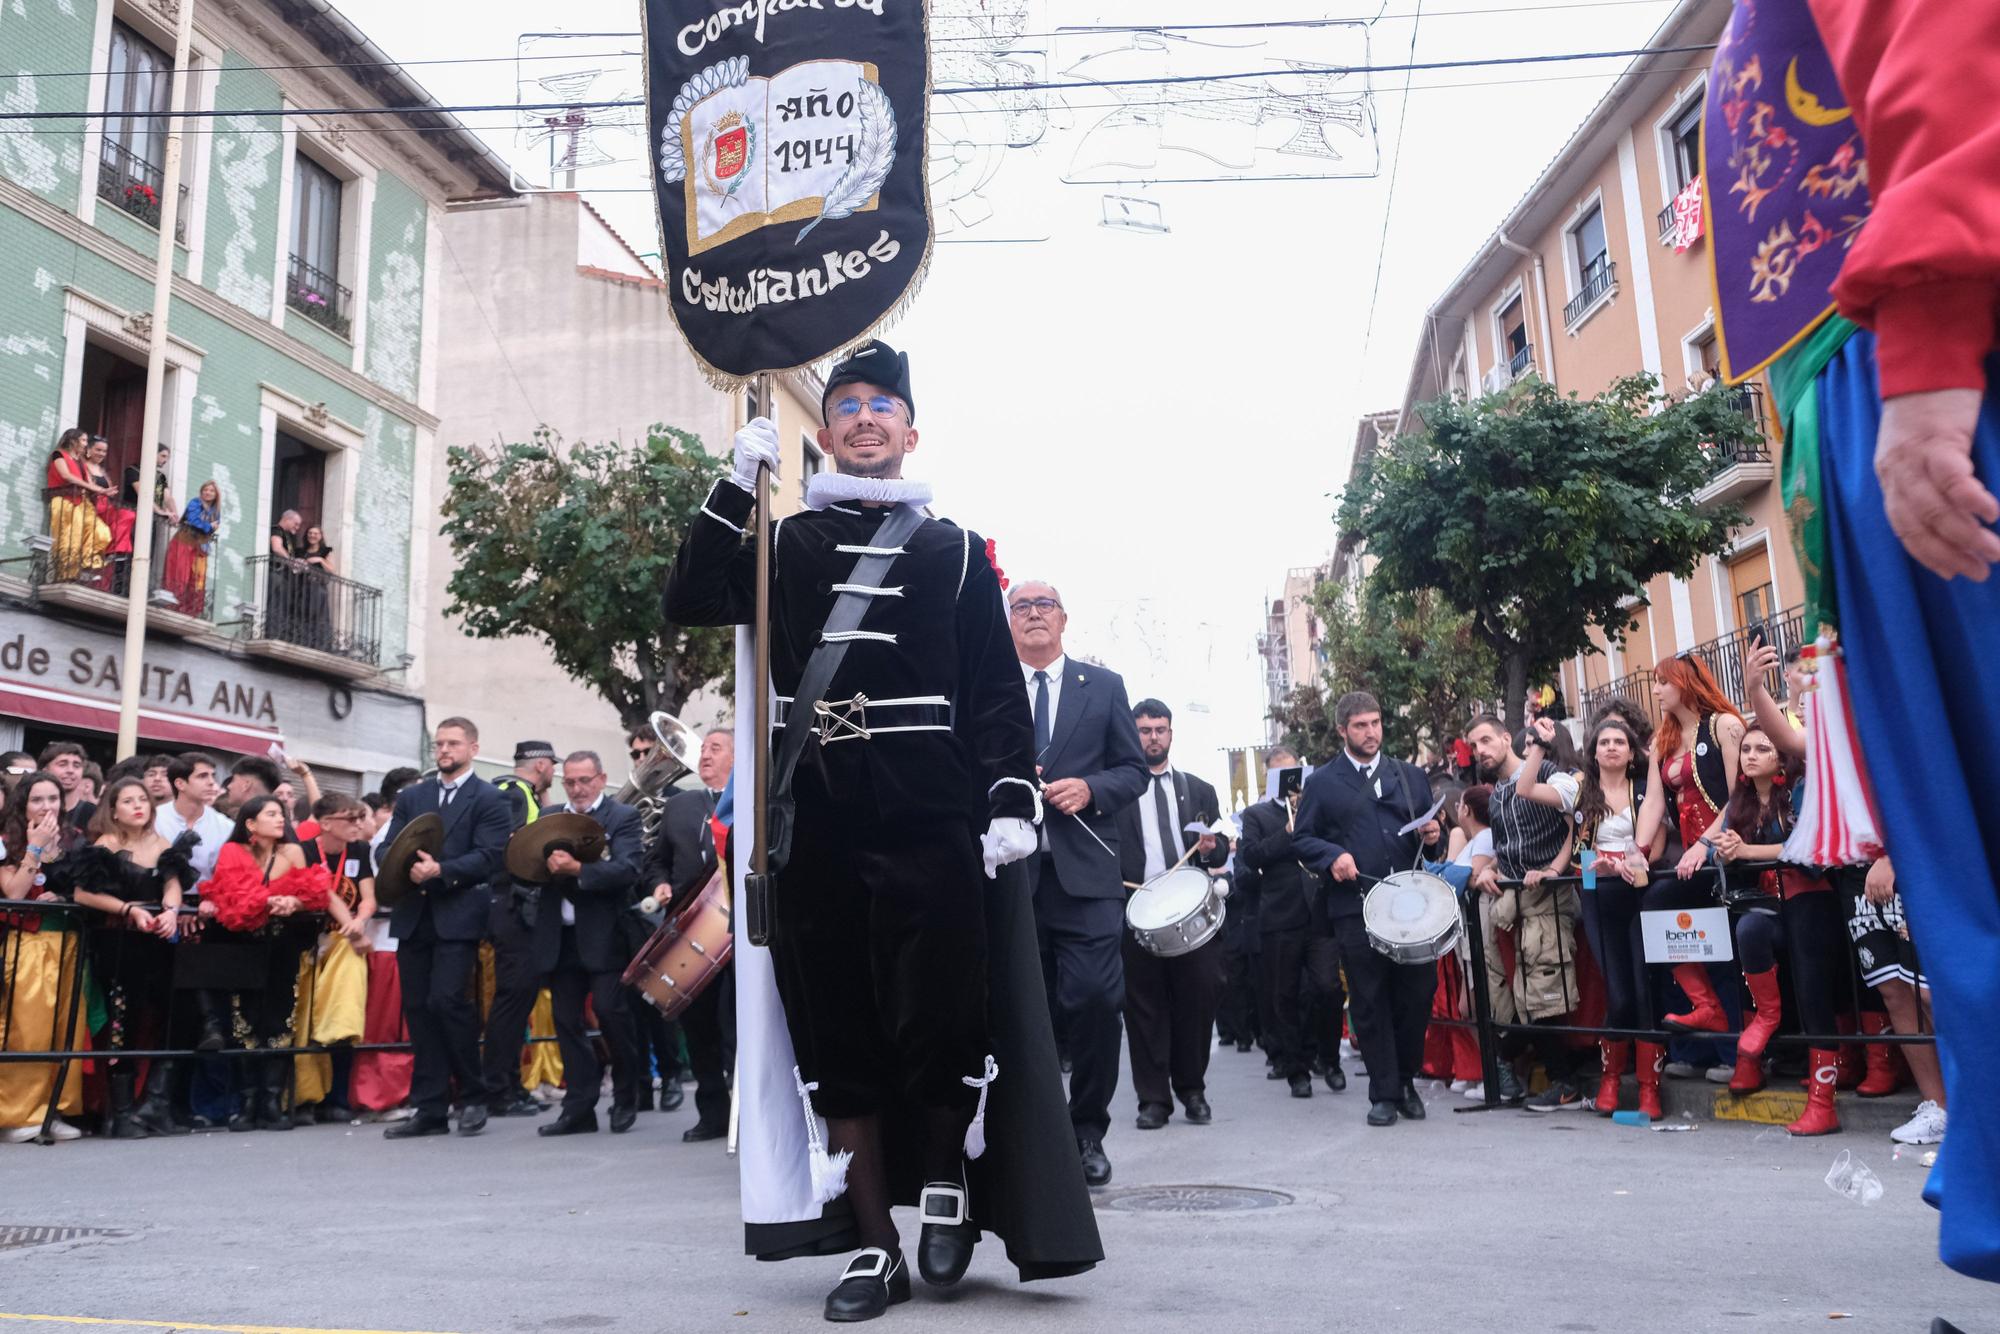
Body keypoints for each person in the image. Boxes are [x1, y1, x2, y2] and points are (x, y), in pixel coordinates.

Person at [666, 340, 1100, 1317]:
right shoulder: (784, 547)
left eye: (883, 405)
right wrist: (733, 489)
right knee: (839, 1029)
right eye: (848, 404)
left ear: (910, 432)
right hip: (814, 816)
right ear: (825, 433)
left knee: (942, 1016)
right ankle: (870, 1245)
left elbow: (993, 694)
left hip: (930, 812)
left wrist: (1003, 796)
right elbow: (691, 595)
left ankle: (945, 1189)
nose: (864, 417)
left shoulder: (954, 552)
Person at [1010, 578, 1149, 1188]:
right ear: (1008, 622)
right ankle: (1027, 1133)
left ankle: (1086, 1128)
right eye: (1021, 606)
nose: (1034, 614)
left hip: (1087, 877)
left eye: (1045, 606)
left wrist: (1092, 789)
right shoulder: (987, 685)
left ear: (1064, 620)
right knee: (1020, 1010)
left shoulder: (1105, 687)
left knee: (1096, 1000)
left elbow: (1134, 771)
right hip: (1009, 875)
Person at [1671, 727, 1848, 1135]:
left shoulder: (1800, 792)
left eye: (1762, 748)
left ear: (1781, 757)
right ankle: (1764, 1025)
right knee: (1748, 929)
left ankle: (1824, 1105)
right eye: (1746, 748)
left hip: (1812, 901)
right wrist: (1722, 849)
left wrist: (1748, 851)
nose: (1750, 755)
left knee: (1814, 993)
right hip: (1766, 907)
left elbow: (1811, 847)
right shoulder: (1740, 801)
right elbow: (1721, 845)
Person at [1292, 691, 1445, 1127]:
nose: (1371, 732)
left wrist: (1433, 835)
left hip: (1410, 906)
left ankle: (1406, 1079)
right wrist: (1332, 856)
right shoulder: (1322, 782)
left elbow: (1430, 838)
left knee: (1418, 994)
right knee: (1370, 998)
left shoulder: (1410, 775)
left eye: (1376, 723)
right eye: (1360, 725)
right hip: (1354, 907)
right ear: (1342, 730)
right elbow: (1302, 839)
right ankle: (1384, 1092)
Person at [379, 717, 511, 1140]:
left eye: (453, 743)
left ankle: (473, 1096)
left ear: (473, 747)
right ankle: (430, 1108)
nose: (444, 751)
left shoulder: (489, 798)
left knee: (449, 1003)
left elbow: (492, 855)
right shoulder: (413, 796)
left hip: (458, 915)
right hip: (414, 915)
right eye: (439, 744)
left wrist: (442, 871)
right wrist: (405, 865)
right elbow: (386, 845)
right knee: (418, 1010)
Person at [49, 777, 195, 1137]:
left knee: (169, 1015)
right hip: (116, 943)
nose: (137, 806)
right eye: (128, 801)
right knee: (121, 1023)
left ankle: (153, 1104)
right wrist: (129, 908)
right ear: (113, 810)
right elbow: (83, 894)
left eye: (142, 799)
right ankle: (120, 1111)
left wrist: (171, 911)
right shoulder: (107, 844)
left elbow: (173, 882)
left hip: (157, 943)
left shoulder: (162, 843)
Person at [1114, 699, 1229, 1129]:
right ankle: (1153, 1100)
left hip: (1188, 915)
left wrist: (1213, 848)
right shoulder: (1117, 791)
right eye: (1144, 730)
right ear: (1133, 734)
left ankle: (1192, 1087)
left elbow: (1216, 846)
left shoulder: (1199, 790)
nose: (1153, 737)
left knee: (1199, 996)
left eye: (1160, 729)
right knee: (1143, 1007)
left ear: (1171, 734)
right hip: (1135, 909)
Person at [1467, 716, 1586, 1111]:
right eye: (1474, 745)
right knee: (1526, 995)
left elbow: (1574, 825)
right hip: (1517, 903)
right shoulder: (1497, 792)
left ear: (1506, 739)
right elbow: (1506, 850)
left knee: (1544, 992)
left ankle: (1562, 1080)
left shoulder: (1550, 771)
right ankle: (1547, 1075)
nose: (1480, 750)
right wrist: (1489, 869)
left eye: (1486, 740)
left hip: (1551, 897)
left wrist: (1554, 870)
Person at [530, 751, 645, 1137]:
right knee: (566, 1022)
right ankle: (579, 1106)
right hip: (558, 936)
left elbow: (629, 869)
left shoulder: (622, 817)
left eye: (584, 780)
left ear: (601, 779)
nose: (578, 789)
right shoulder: (548, 819)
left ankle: (628, 1094)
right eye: (571, 782)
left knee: (613, 1014)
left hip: (605, 937)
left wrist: (579, 870)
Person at [200, 794, 330, 1132]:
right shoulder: (233, 852)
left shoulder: (294, 851)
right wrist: (271, 899)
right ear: (250, 823)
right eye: (271, 814)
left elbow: (314, 893)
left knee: (280, 1018)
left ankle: (272, 1100)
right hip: (243, 945)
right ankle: (247, 1101)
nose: (280, 819)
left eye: (282, 814)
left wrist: (294, 903)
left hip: (283, 944)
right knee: (244, 1021)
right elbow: (233, 896)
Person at [1634, 653, 1746, 1037]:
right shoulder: (1662, 740)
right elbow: (1651, 802)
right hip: (1691, 858)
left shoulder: (1725, 725)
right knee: (1678, 930)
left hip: (1728, 852)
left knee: (1716, 944)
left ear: (1684, 682)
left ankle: (1722, 1026)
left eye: (1663, 681)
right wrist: (1638, 850)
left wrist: (1704, 844)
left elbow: (1738, 798)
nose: (1656, 690)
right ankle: (1705, 1011)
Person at [643, 726, 736, 1141]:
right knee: (698, 1029)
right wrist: (658, 883)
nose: (706, 755)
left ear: (738, 756)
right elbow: (656, 860)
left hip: (735, 932)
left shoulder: (750, 802)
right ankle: (712, 1114)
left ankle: (745, 1116)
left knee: (735, 1027)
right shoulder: (679, 806)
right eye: (705, 749)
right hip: (687, 930)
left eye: (716, 748)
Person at [1236, 747, 1336, 1098]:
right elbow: (1251, 855)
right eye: (1281, 774)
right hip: (1280, 915)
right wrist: (1288, 833)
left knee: (1327, 988)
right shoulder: (1257, 814)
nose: (1290, 780)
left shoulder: (1318, 806)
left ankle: (1329, 1057)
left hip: (1319, 911)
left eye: (1294, 771)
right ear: (1270, 778)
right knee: (1285, 995)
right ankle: (1297, 1070)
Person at [0, 773, 89, 1141]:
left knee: (63, 1029)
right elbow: (15, 892)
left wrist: (64, 898)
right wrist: (34, 848)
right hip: (26, 944)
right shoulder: (9, 842)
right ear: (23, 805)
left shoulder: (76, 842)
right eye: (38, 800)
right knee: (27, 1031)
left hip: (66, 941)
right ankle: (18, 1114)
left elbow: (85, 891)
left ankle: (53, 1108)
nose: (48, 806)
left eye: (53, 798)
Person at [290, 793, 376, 1125]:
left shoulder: (360, 850)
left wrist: (360, 922)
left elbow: (368, 897)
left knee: (343, 1011)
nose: (358, 825)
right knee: (304, 1020)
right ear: (325, 824)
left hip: (344, 942)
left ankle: (338, 1098)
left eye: (360, 818)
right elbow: (323, 892)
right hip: (308, 945)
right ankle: (305, 1098)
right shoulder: (305, 850)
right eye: (349, 819)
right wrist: (353, 928)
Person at [482, 740, 557, 1120]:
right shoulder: (516, 794)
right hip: (513, 906)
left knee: (515, 999)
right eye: (553, 768)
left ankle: (508, 1085)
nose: (554, 776)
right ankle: (500, 1089)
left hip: (508, 906)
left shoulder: (506, 791)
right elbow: (513, 848)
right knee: (513, 999)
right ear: (542, 765)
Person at [45, 427, 111, 583]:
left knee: (101, 532)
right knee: (69, 538)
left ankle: (87, 563)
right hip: (63, 500)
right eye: (83, 440)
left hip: (81, 501)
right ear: (73, 440)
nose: (85, 444)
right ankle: (65, 575)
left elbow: (88, 483)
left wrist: (103, 491)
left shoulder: (80, 462)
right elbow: (66, 476)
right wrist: (94, 487)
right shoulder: (59, 454)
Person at [84, 436, 136, 591]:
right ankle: (113, 550)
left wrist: (110, 492)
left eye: (104, 451)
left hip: (105, 506)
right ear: (89, 450)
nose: (101, 453)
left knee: (128, 515)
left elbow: (109, 490)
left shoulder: (102, 471)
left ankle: (115, 550)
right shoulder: (83, 466)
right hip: (90, 506)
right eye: (98, 450)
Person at [163, 480, 220, 616]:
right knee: (179, 573)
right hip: (184, 541)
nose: (208, 492)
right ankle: (173, 605)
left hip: (200, 547)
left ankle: (190, 609)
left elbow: (215, 525)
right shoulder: (195, 502)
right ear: (201, 492)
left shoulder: (215, 511)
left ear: (216, 494)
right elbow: (194, 520)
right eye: (206, 489)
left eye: (211, 490)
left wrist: (208, 527)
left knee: (197, 579)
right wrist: (208, 526)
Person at [37, 742, 94, 832]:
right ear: (45, 770)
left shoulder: (93, 814)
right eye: (62, 764)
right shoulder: (33, 809)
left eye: (76, 765)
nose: (70, 770)